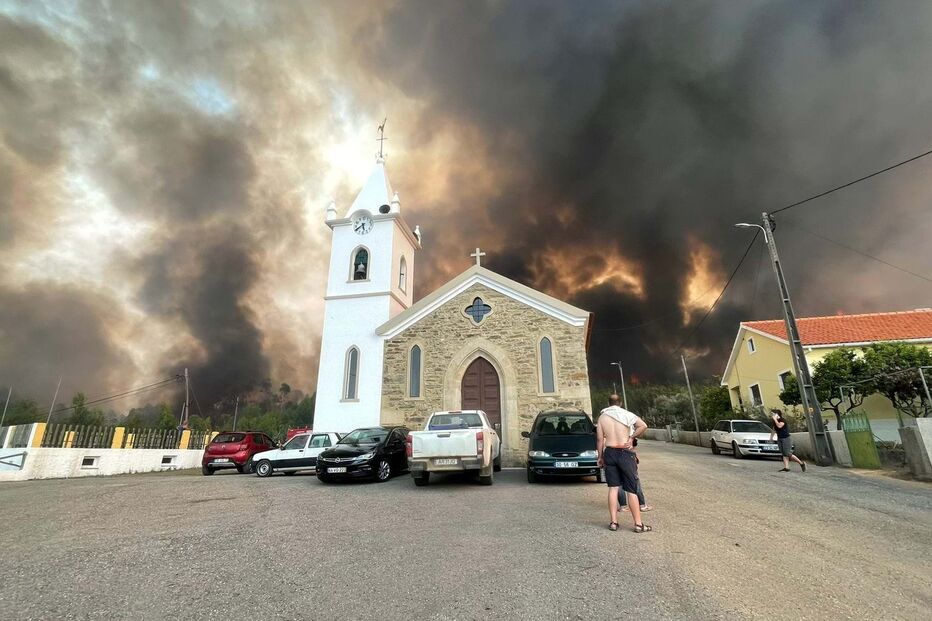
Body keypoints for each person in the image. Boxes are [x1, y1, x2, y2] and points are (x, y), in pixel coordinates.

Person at [597, 394, 651, 533]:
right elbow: (643, 426)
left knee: (613, 488)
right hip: (625, 453)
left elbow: (600, 439)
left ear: (609, 403)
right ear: (620, 403)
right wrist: (631, 437)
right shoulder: (626, 414)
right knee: (631, 489)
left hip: (610, 452)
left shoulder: (602, 417)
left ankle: (613, 522)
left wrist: (600, 456)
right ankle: (638, 524)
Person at [619, 437, 653, 512]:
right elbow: (633, 442)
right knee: (635, 481)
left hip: (614, 454)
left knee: (619, 482)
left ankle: (623, 506)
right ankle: (642, 505)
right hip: (627, 454)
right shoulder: (628, 433)